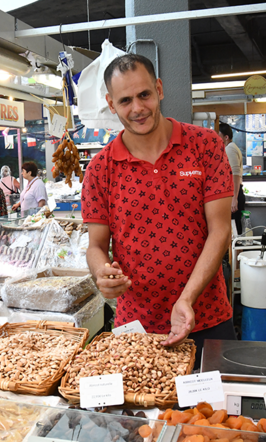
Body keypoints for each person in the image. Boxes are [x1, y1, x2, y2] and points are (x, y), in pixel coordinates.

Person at [82, 53, 235, 367]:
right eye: (125, 100)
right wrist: (102, 273)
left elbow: (220, 231)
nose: (137, 108)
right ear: (112, 105)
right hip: (136, 325)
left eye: (144, 95)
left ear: (160, 89)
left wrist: (187, 298)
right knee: (143, 414)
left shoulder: (205, 145)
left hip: (206, 315)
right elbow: (96, 246)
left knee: (215, 414)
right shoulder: (100, 169)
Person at [219, 123, 246, 234]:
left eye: (219, 136)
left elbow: (235, 174)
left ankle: (236, 251)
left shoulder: (230, 149)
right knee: (234, 229)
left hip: (234, 193)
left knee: (234, 230)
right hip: (233, 193)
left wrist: (234, 199)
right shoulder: (231, 148)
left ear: (226, 137)